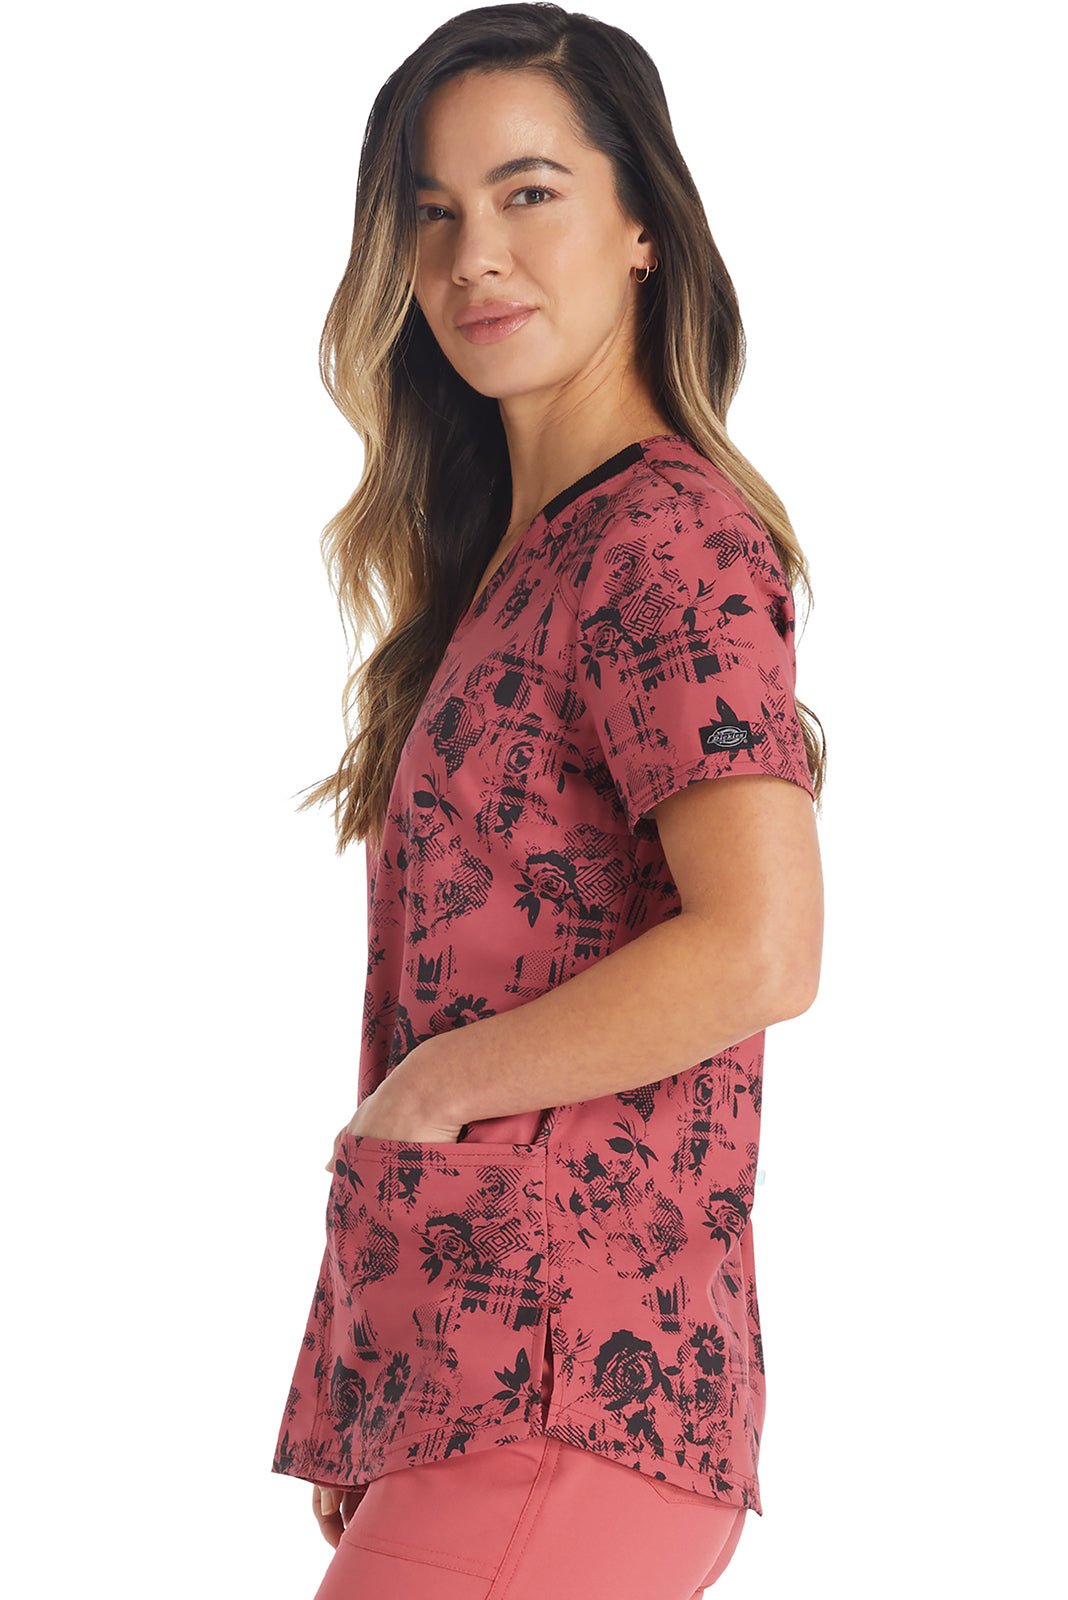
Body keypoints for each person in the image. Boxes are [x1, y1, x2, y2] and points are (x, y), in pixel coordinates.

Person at [270, 6, 826, 1596]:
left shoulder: (662, 539)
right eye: (432, 212)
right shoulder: (519, 568)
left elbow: (762, 944)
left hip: (570, 1379)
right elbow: (447, 984)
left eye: (529, 194)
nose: (474, 260)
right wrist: (369, 1363)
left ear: (646, 225)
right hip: (482, 1379)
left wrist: (433, 1092)